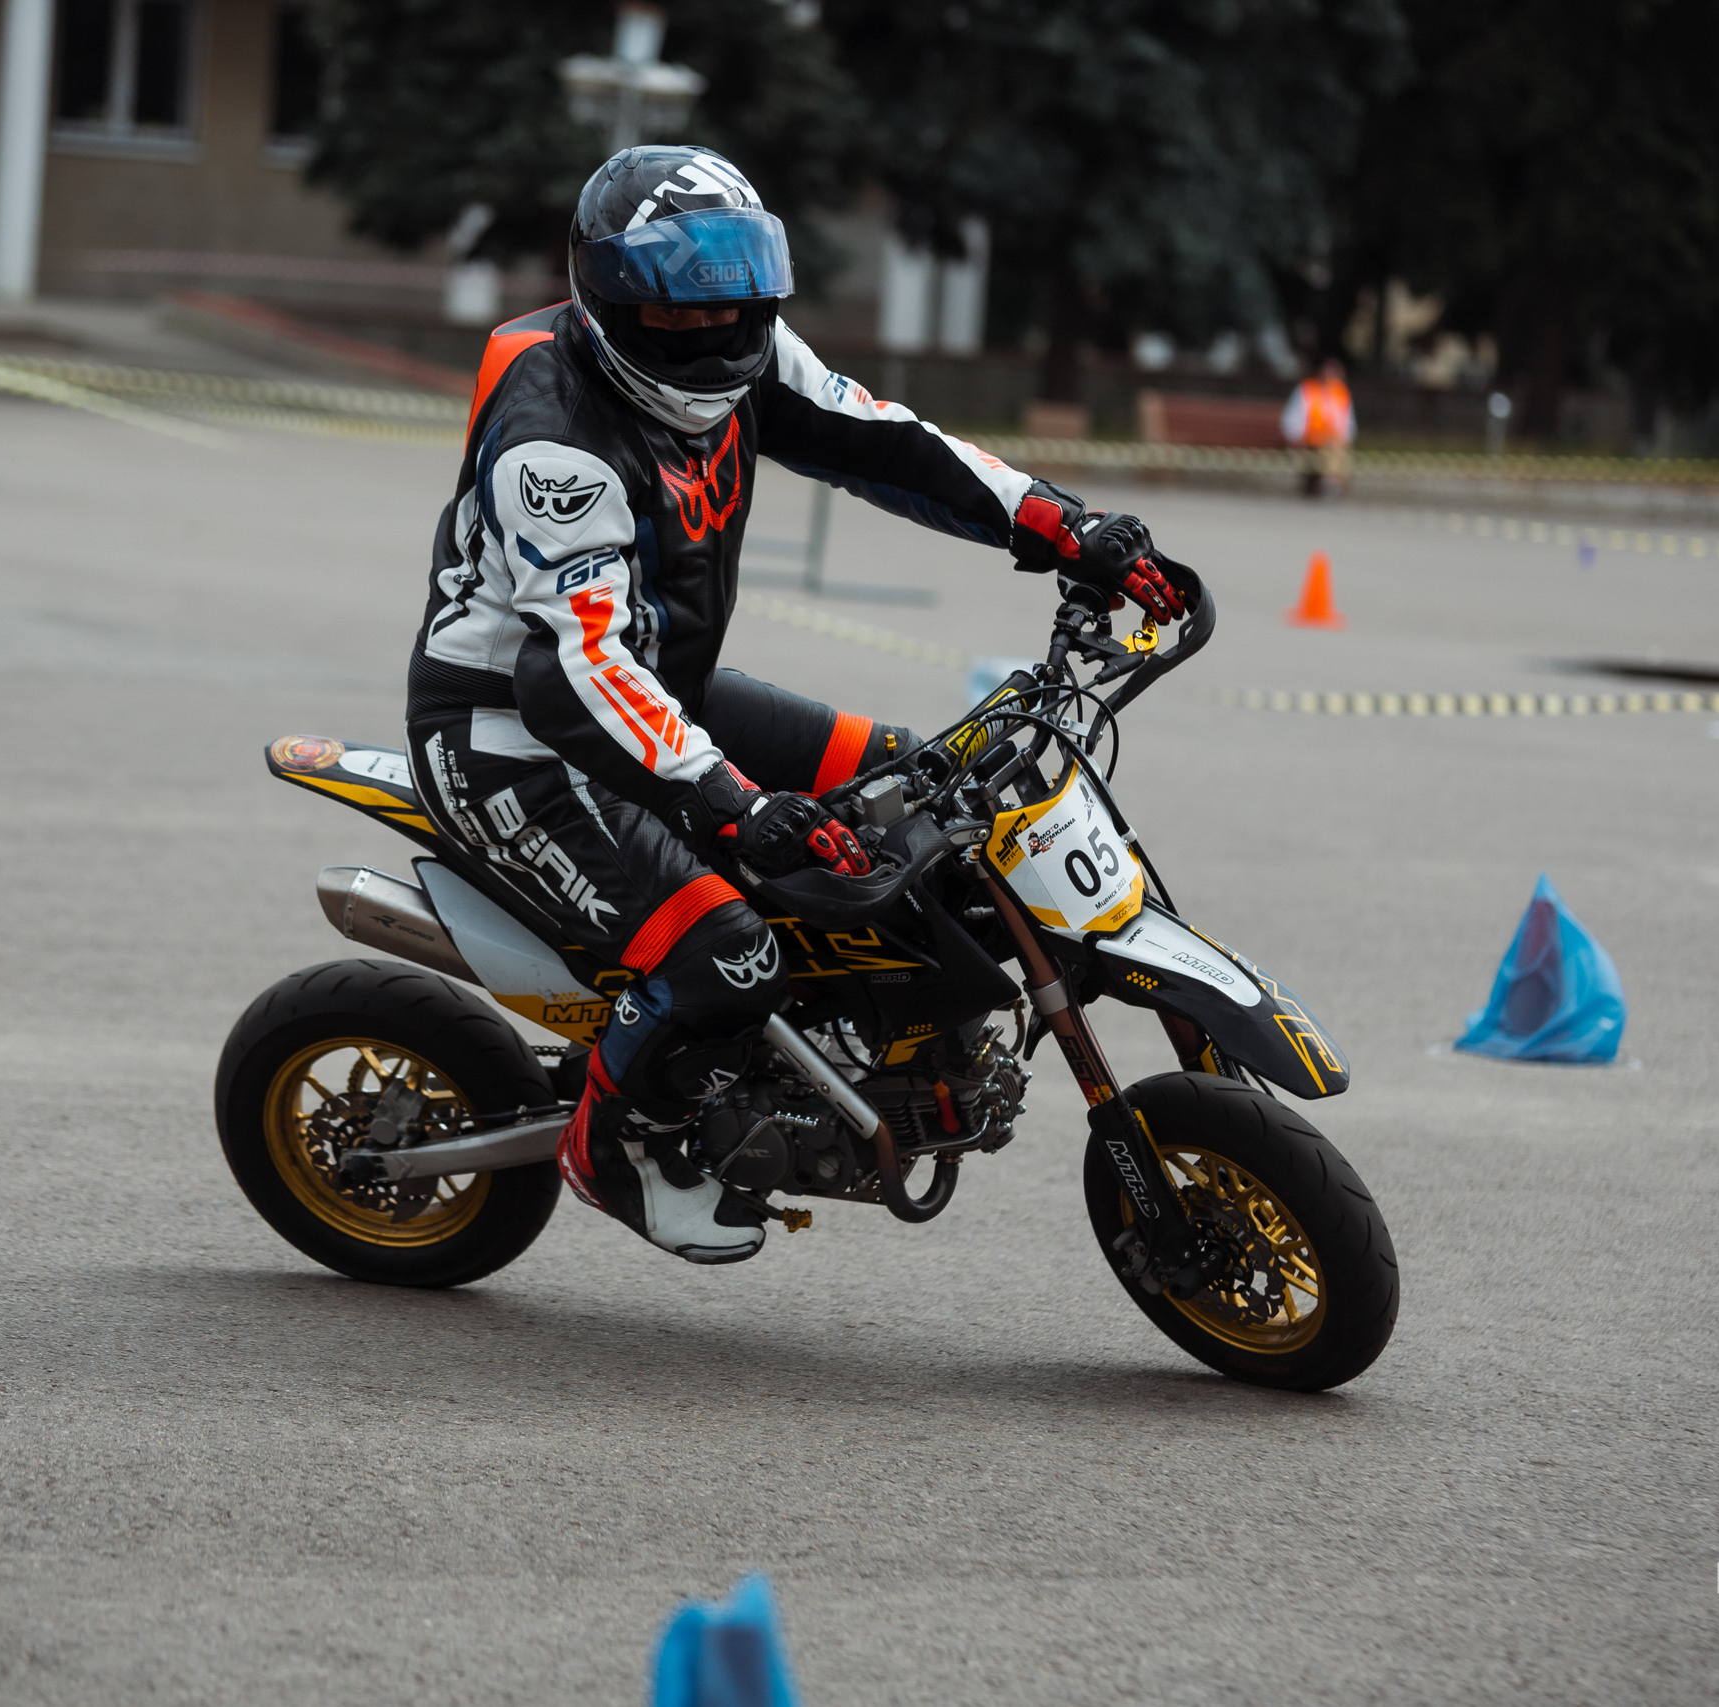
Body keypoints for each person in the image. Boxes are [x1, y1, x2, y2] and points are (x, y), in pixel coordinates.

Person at [405, 146, 1185, 1265]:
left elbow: (895, 445)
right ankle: (614, 1150)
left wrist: (1066, 528)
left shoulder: (746, 360)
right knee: (726, 952)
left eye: (738, 291)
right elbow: (578, 667)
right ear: (614, 298)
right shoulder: (553, 440)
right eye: (686, 304)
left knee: (927, 782)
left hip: (658, 690)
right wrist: (735, 804)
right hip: (514, 735)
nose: (720, 325)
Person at [1283, 358, 1356, 497]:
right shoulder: (1307, 390)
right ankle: (1332, 483)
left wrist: (1342, 439)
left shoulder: (1341, 393)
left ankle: (1331, 482)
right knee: (1331, 449)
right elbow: (1293, 419)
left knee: (1335, 447)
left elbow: (1348, 424)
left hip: (1331, 441)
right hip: (1309, 440)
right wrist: (1296, 439)